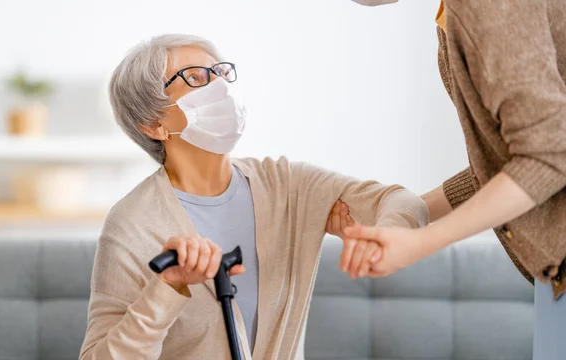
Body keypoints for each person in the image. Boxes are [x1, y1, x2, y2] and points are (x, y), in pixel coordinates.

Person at [79, 34, 428, 360]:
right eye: (196, 77)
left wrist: (386, 234)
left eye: (220, 73)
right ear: (154, 124)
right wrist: (167, 287)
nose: (219, 86)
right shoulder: (132, 224)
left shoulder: (287, 185)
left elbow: (401, 201)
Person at [346, 1, 566, 359]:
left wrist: (421, 244)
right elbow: (508, 167)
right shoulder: (454, 15)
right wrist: (409, 212)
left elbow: (549, 154)